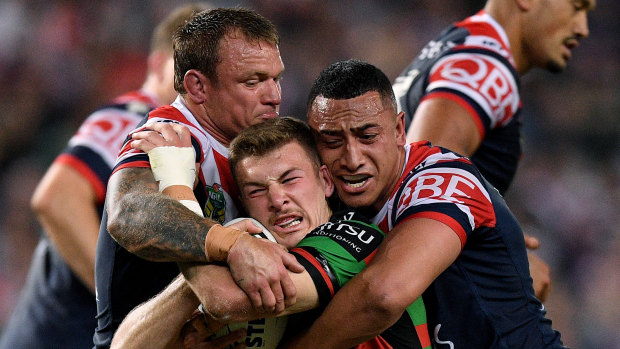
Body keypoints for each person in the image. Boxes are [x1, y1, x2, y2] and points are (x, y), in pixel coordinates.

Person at [284, 59, 566, 348]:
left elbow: (383, 296)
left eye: (368, 137)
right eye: (332, 141)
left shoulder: (443, 180)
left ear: (398, 130)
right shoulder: (328, 194)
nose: (352, 159)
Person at [110, 117, 431, 349]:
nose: (278, 200)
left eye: (291, 179)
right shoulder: (241, 253)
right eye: (257, 190)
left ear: (326, 181)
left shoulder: (356, 237)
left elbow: (224, 300)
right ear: (244, 205)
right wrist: (189, 286)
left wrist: (177, 192)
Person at [0, 4, 210, 349]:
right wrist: (124, 319)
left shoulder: (193, 140)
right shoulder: (138, 116)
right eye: (187, 67)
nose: (197, 83)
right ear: (157, 65)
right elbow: (57, 198)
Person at [93, 8, 305, 348]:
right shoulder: (170, 138)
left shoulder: (251, 146)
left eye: (275, 78)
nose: (274, 96)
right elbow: (129, 212)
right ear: (197, 85)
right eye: (252, 81)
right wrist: (229, 243)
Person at [392, 0, 595, 302]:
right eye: (576, 7)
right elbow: (423, 171)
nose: (582, 28)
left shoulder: (462, 42)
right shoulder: (485, 63)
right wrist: (505, 257)